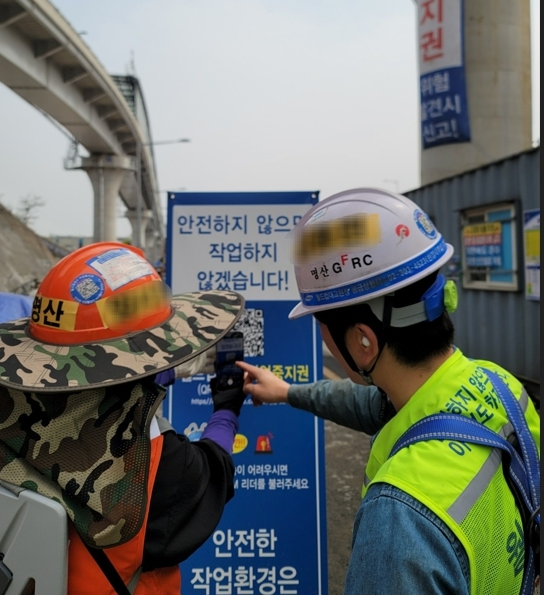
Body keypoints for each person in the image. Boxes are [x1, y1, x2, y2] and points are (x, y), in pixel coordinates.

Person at [240, 188, 540, 595]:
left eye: (320, 326)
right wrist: (288, 392)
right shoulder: (501, 386)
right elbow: (373, 405)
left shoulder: (399, 516)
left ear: (362, 340)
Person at [0, 242, 247, 595]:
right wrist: (227, 409)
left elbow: (81, 386)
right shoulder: (159, 464)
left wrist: (150, 378)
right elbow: (213, 472)